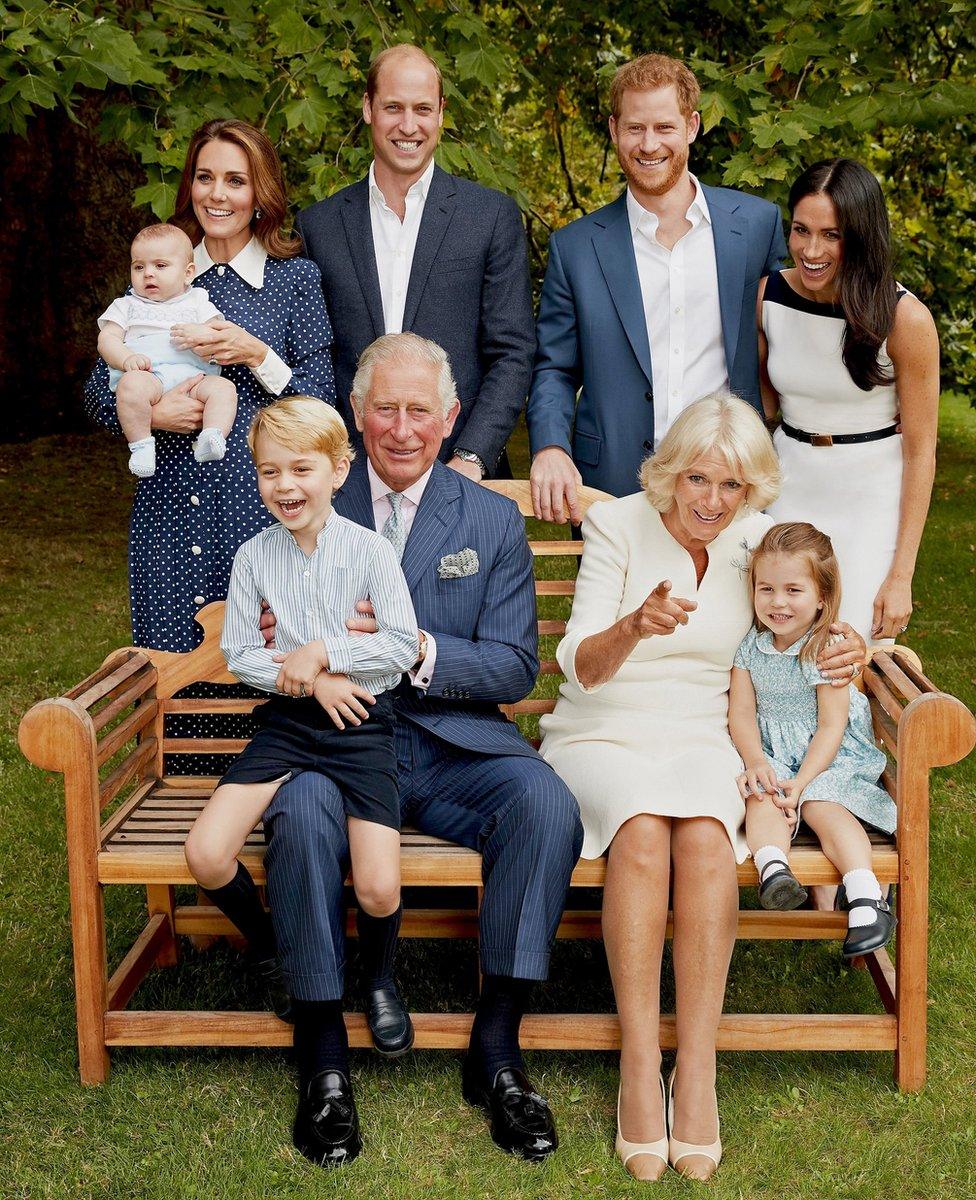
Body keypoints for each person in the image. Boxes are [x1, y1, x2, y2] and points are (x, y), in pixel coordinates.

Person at [260, 333, 582, 1168]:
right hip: (335, 741)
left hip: (450, 742)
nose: (401, 430)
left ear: (450, 419)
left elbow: (514, 667)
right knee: (296, 813)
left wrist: (417, 650)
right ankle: (324, 1057)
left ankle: (498, 1048)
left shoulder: (489, 519)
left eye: (419, 412)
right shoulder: (312, 497)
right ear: (357, 417)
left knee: (544, 803)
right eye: (384, 409)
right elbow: (266, 621)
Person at [538, 393, 864, 1181]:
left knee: (711, 841)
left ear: (753, 490)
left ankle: (701, 1069)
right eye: (697, 480)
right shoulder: (617, 524)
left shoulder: (756, 543)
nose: (712, 502)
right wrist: (633, 625)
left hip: (707, 732)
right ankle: (640, 1064)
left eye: (732, 486)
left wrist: (847, 644)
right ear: (670, 473)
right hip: (605, 724)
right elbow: (577, 663)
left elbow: (814, 607)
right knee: (643, 830)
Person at [183, 398, 419, 1056]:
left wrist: (328, 653)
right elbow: (242, 654)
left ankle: (378, 978)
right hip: (289, 723)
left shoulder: (371, 552)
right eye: (268, 472)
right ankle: (275, 951)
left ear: (340, 470)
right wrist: (310, 677)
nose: (284, 486)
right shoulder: (254, 557)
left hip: (362, 724)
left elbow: (399, 646)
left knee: (376, 887)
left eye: (301, 469)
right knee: (205, 852)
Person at [84, 118, 336, 652]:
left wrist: (258, 355)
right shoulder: (160, 270)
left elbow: (322, 399)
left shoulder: (294, 280)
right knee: (172, 670)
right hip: (168, 508)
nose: (217, 194)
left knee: (268, 669)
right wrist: (152, 416)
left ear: (260, 192)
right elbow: (94, 390)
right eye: (204, 177)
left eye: (236, 180)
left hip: (259, 508)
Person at [527, 52, 786, 520]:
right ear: (613, 130)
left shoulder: (755, 226)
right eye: (634, 128)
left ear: (691, 126)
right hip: (612, 483)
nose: (649, 145)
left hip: (730, 483)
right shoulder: (576, 247)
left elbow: (787, 337)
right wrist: (549, 445)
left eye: (664, 127)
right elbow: (555, 369)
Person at [296, 44, 534, 480]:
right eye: (393, 107)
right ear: (368, 107)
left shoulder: (489, 217)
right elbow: (314, 357)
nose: (409, 126)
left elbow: (512, 352)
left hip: (461, 471)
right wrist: (335, 456)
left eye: (423, 108)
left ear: (441, 112)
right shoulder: (317, 227)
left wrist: (472, 457)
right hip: (350, 477)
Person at [760, 158, 940, 642]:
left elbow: (922, 452)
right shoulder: (768, 297)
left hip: (870, 501)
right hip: (788, 489)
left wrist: (900, 576)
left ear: (860, 236)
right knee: (778, 645)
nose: (811, 250)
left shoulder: (906, 319)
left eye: (831, 235)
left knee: (849, 653)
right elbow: (762, 408)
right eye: (800, 230)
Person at [729, 522, 896, 959]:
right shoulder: (750, 646)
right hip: (774, 755)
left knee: (821, 805)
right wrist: (755, 761)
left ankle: (864, 897)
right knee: (761, 797)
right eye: (766, 589)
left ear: (822, 596)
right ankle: (775, 872)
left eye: (793, 590)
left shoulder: (827, 647)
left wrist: (801, 784)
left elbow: (830, 727)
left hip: (828, 758)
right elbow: (742, 714)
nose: (777, 602)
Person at [97, 223, 237, 477]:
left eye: (160, 266)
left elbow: (219, 334)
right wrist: (126, 358)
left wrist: (202, 334)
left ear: (188, 273)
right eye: (139, 267)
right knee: (131, 388)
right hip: (148, 376)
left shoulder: (198, 301)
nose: (148, 274)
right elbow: (107, 340)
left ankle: (212, 435)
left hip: (194, 378)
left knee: (224, 389)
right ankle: (141, 445)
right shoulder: (126, 305)